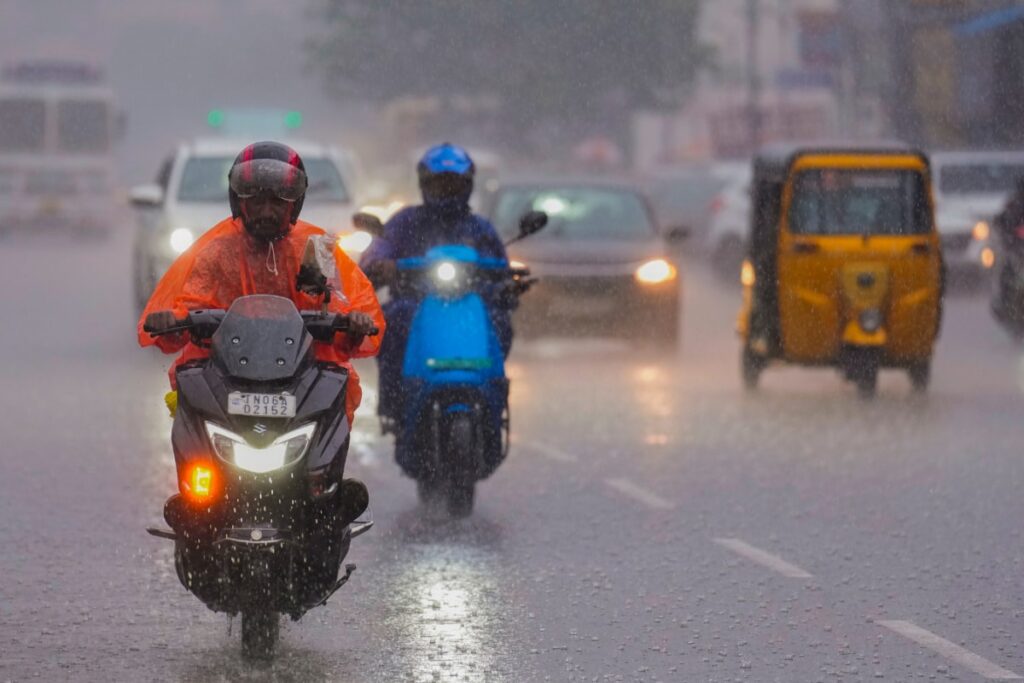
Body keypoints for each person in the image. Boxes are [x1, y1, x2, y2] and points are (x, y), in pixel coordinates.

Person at [137, 140, 385, 523]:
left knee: (335, 384)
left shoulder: (316, 251)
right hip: (228, 371)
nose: (267, 211)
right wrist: (175, 319)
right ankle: (198, 496)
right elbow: (189, 303)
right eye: (256, 201)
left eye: (277, 202)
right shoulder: (216, 252)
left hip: (299, 371)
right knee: (191, 387)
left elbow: (341, 307)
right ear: (238, 201)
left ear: (294, 204)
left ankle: (324, 488)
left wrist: (352, 322)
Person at [358, 143, 513, 428]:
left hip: (471, 309)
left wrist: (510, 283)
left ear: (467, 186)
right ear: (425, 185)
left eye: (454, 184)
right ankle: (397, 406)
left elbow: (502, 269)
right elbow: (377, 252)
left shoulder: (480, 228)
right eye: (440, 184)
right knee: (393, 321)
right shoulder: (405, 222)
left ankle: (493, 401)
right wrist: (379, 264)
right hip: (414, 304)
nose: (447, 191)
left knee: (500, 322)